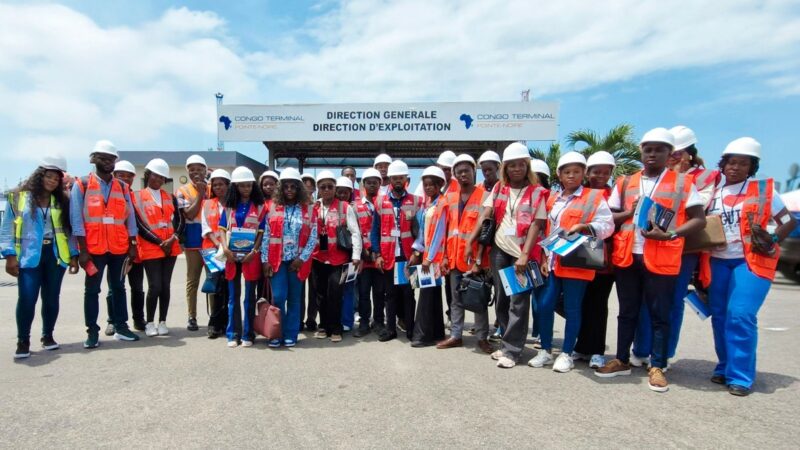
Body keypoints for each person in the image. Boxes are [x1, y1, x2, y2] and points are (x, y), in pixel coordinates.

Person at [595, 128, 706, 393]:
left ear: (670, 154)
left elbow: (699, 220)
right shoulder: (625, 182)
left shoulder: (683, 184)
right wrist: (628, 213)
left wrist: (670, 234)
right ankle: (622, 359)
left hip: (662, 256)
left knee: (660, 314)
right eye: (648, 149)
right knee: (627, 312)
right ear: (641, 152)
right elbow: (609, 217)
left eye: (659, 149)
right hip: (628, 256)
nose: (652, 154)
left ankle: (657, 366)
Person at [703, 137, 796, 396]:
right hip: (717, 261)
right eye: (731, 162)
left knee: (740, 314)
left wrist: (773, 238)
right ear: (723, 164)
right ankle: (724, 366)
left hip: (750, 261)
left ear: (752, 167)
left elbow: (788, 221)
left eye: (743, 163)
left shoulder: (764, 191)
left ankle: (741, 377)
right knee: (720, 316)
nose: (735, 167)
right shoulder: (713, 191)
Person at [632, 125, 720, 368]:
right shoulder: (651, 174)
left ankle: (664, 354)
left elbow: (700, 209)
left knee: (671, 301)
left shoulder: (704, 177)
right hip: (651, 243)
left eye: (677, 152)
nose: (673, 157)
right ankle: (641, 349)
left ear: (689, 153)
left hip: (683, 246)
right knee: (645, 300)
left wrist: (679, 176)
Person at [528, 152, 614, 372]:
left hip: (576, 262)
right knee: (544, 305)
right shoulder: (553, 199)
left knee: (573, 308)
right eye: (567, 172)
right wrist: (544, 257)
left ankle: (566, 354)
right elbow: (546, 230)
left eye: (576, 171)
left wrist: (586, 227)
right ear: (559, 174)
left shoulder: (594, 197)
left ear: (583, 173)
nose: (571, 176)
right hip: (553, 262)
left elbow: (608, 226)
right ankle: (545, 350)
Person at [467, 143, 547, 368]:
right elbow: (486, 214)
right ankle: (506, 343)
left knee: (518, 302)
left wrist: (524, 255)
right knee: (502, 299)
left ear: (527, 166)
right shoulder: (499, 188)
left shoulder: (537, 192)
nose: (517, 169)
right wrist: (470, 240)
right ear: (505, 168)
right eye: (512, 165)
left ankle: (513, 351)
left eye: (521, 164)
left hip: (522, 253)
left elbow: (537, 224)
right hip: (499, 251)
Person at [2, 155, 79, 358]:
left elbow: (69, 231)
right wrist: (9, 255)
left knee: (51, 298)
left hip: (55, 255)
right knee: (27, 298)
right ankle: (23, 341)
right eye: (49, 176)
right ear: (39, 175)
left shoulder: (63, 200)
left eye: (56, 178)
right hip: (29, 256)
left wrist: (73, 255)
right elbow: (6, 229)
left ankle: (48, 336)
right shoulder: (17, 197)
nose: (52, 181)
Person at [71, 140, 141, 348]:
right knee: (92, 290)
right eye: (103, 158)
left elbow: (130, 218)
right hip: (94, 249)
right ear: (93, 159)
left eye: (111, 159)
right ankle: (92, 331)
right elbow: (76, 219)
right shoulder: (82, 184)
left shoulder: (122, 187)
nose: (108, 161)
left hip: (119, 247)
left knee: (119, 287)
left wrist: (133, 244)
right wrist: (82, 251)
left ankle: (121, 327)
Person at [435, 154, 493, 353]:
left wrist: (479, 260)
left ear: (473, 172)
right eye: (458, 172)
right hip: (454, 258)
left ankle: (482, 338)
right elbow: (445, 230)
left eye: (466, 171)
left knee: (478, 299)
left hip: (475, 259)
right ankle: (456, 335)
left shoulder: (485, 196)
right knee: (455, 299)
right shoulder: (449, 198)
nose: (462, 175)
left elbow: (486, 230)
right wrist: (443, 256)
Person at [261, 168, 318, 348]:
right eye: (286, 187)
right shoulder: (271, 207)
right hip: (276, 261)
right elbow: (266, 236)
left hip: (296, 262)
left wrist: (302, 258)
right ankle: (276, 332)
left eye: (293, 187)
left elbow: (313, 237)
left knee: (294, 299)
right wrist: (264, 260)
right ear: (281, 188)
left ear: (299, 188)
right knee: (278, 297)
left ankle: (291, 334)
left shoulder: (309, 210)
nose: (290, 190)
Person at [573, 151, 617, 369]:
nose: (601, 176)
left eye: (605, 172)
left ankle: (597, 350)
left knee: (598, 304)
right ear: (587, 172)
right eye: (596, 171)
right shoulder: (579, 193)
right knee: (581, 303)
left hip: (604, 258)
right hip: (581, 254)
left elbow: (614, 222)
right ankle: (581, 346)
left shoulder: (614, 195)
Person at [372, 160, 423, 342]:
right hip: (388, 256)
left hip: (409, 256)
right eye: (394, 178)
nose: (398, 181)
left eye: (401, 178)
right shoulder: (380, 202)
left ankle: (410, 329)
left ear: (406, 179)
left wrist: (417, 254)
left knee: (409, 294)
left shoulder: (416, 201)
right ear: (390, 180)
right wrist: (377, 255)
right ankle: (391, 329)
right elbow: (375, 231)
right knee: (390, 294)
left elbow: (421, 231)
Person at [133, 159, 184, 337]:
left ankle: (162, 321)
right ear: (148, 175)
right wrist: (159, 242)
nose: (158, 179)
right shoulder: (137, 196)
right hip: (151, 247)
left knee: (165, 286)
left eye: (162, 177)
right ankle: (149, 323)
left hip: (171, 246)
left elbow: (180, 220)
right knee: (154, 286)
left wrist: (173, 238)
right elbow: (139, 225)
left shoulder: (171, 197)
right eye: (155, 175)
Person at [311, 171, 362, 343]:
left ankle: (336, 327)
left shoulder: (345, 207)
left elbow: (355, 232)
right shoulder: (313, 207)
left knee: (335, 293)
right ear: (318, 189)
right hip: (318, 258)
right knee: (320, 294)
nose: (326, 190)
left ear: (334, 188)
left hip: (338, 259)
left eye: (330, 186)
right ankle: (323, 326)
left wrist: (356, 255)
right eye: (323, 187)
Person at [219, 166, 266, 348]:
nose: (246, 189)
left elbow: (261, 233)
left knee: (249, 297)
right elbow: (222, 229)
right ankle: (233, 334)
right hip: (232, 256)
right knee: (233, 297)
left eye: (249, 185)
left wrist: (253, 252)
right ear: (235, 187)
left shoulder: (260, 207)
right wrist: (225, 249)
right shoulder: (229, 207)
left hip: (250, 257)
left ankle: (248, 334)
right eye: (242, 186)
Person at [103, 160, 146, 335]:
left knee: (137, 287)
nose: (125, 179)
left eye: (129, 176)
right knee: (114, 287)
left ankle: (138, 319)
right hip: (116, 249)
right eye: (121, 175)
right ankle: (112, 321)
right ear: (114, 176)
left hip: (136, 250)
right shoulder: (108, 196)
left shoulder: (137, 197)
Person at [406, 166, 447, 347]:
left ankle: (422, 336)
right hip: (427, 256)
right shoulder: (428, 204)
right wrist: (416, 251)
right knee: (433, 294)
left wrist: (428, 258)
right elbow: (423, 232)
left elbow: (439, 233)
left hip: (434, 258)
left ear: (440, 185)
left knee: (427, 295)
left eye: (432, 184)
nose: (428, 187)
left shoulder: (442, 204)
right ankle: (436, 333)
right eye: (426, 184)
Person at [175, 154, 209, 332]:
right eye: (192, 169)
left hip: (211, 241)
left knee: (213, 279)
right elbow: (189, 214)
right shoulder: (182, 191)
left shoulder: (213, 187)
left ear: (205, 170)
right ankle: (192, 316)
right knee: (193, 280)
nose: (196, 172)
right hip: (193, 241)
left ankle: (214, 317)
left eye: (199, 169)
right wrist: (201, 194)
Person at [354, 168, 385, 338]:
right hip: (364, 258)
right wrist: (363, 252)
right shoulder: (355, 206)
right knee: (364, 292)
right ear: (363, 184)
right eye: (369, 182)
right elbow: (354, 231)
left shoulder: (385, 204)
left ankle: (379, 322)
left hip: (380, 256)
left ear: (380, 184)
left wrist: (378, 251)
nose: (372, 185)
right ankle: (364, 323)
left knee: (379, 292)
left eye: (375, 182)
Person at [200, 169, 231, 339]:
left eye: (221, 184)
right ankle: (214, 322)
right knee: (215, 286)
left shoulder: (234, 204)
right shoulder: (206, 204)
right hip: (212, 251)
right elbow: (206, 229)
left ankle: (226, 321)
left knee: (228, 287)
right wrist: (219, 244)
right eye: (215, 185)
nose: (218, 187)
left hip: (230, 251)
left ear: (228, 185)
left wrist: (226, 247)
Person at [335, 176, 359, 331]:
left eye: (346, 192)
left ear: (351, 192)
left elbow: (357, 233)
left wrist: (356, 255)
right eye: (340, 192)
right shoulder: (330, 208)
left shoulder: (354, 208)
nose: (343, 195)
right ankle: (336, 319)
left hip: (350, 255)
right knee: (336, 289)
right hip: (336, 255)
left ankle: (347, 321)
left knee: (349, 288)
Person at [300, 171, 318, 330]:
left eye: (310, 187)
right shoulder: (293, 207)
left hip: (314, 255)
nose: (307, 190)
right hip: (297, 256)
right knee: (298, 289)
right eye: (304, 187)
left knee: (314, 289)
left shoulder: (317, 207)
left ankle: (311, 318)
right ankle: (298, 319)